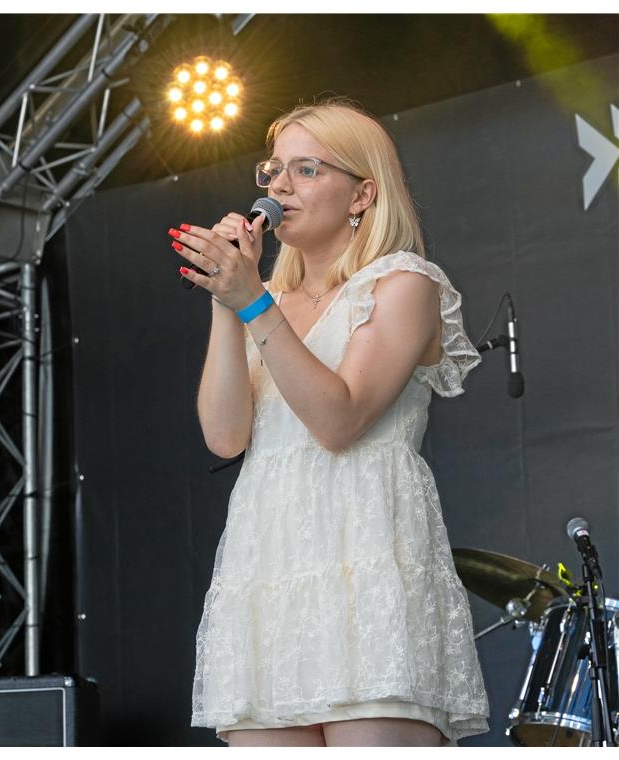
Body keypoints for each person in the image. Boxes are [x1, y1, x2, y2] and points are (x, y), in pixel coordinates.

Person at [172, 100, 489, 746]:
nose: (279, 187)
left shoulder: (404, 283)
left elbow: (339, 420)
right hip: (269, 563)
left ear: (362, 194)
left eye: (306, 170)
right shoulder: (267, 302)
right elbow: (225, 435)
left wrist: (252, 302)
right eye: (273, 171)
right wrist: (227, 301)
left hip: (366, 552)